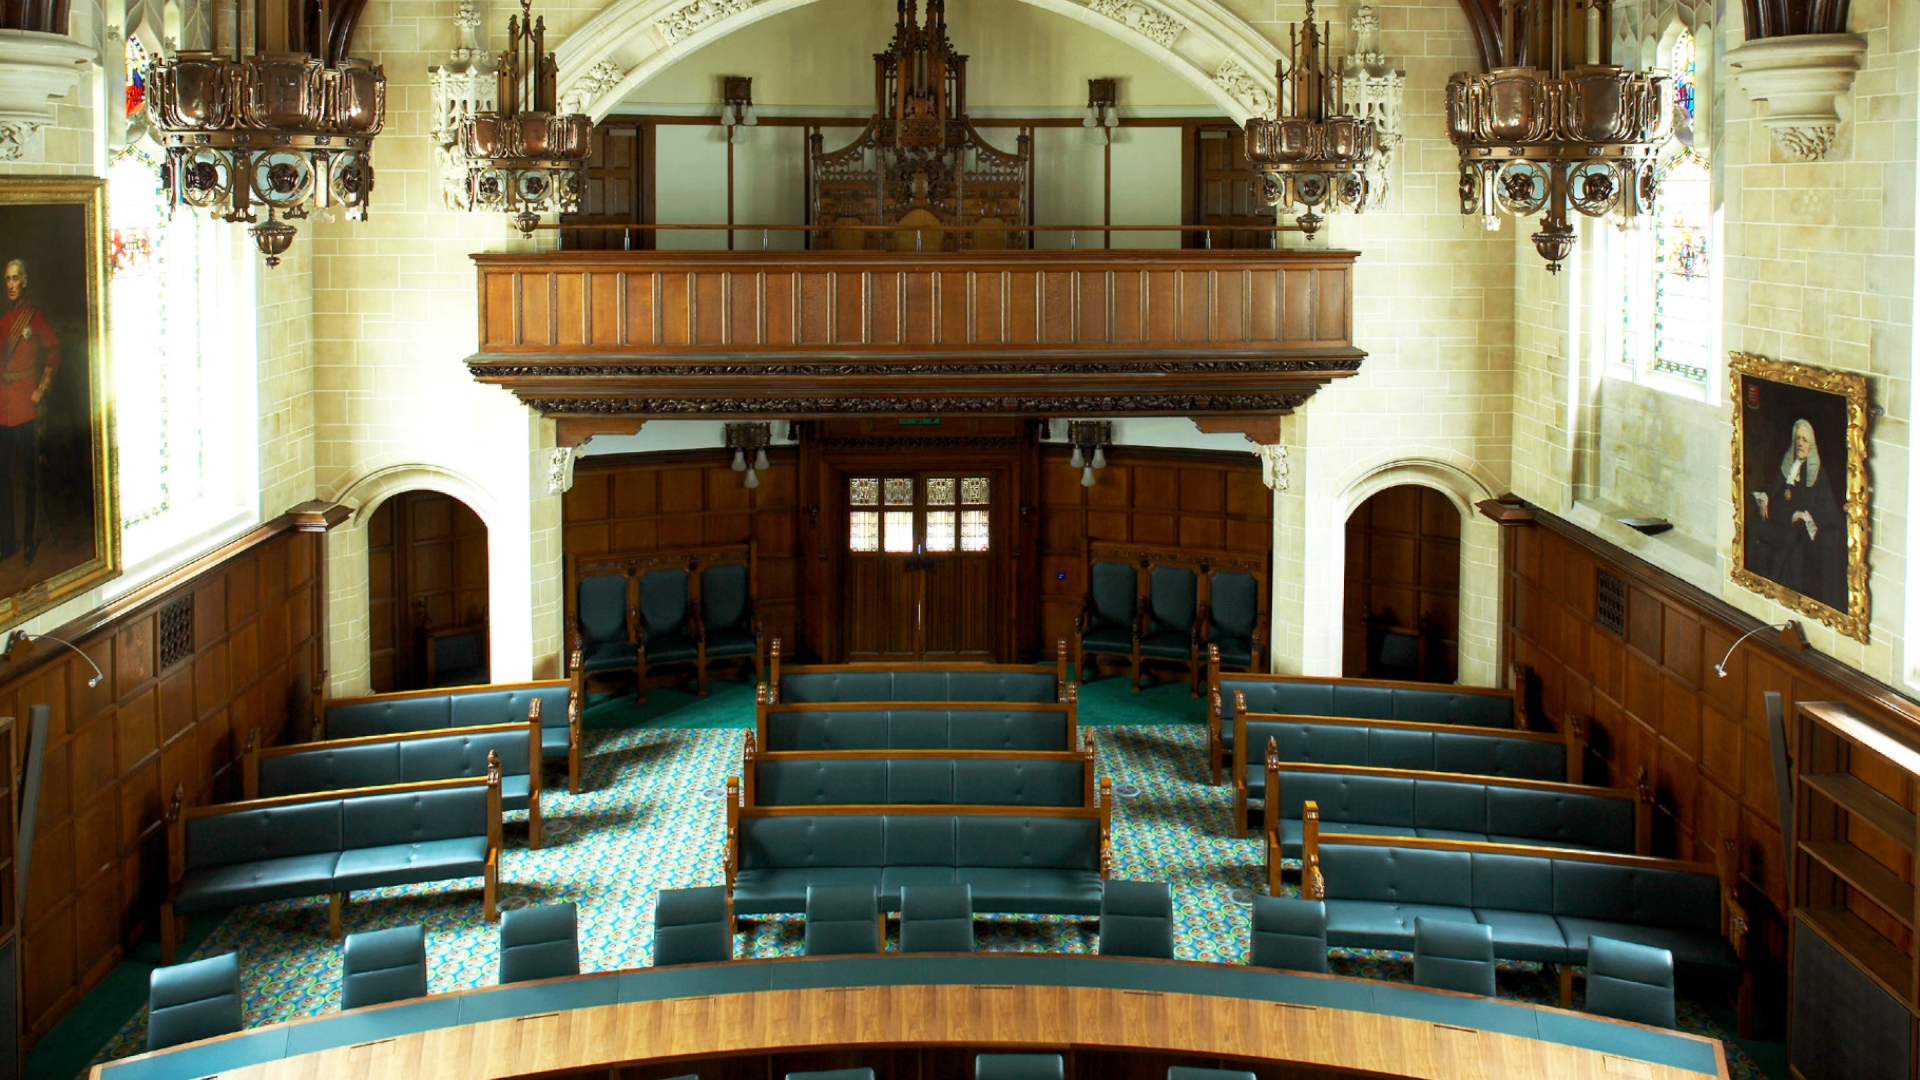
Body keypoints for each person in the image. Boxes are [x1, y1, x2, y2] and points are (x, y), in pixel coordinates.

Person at [1749, 417, 1846, 611]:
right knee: (1755, 528)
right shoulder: (1789, 466)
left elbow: (1829, 510)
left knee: (1792, 546)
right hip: (1780, 522)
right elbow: (1775, 489)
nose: (1800, 443)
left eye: (1805, 439)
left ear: (1812, 444)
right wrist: (1765, 497)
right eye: (1798, 438)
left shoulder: (1819, 474)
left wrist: (1805, 515)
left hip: (1798, 531)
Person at [0, 258, 58, 565]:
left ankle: (27, 543)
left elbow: (53, 350)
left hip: (25, 405)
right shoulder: (5, 322)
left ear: (24, 282)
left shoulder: (35, 318)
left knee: (28, 478)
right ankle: (7, 541)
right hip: (3, 408)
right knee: (2, 477)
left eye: (14, 279)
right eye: (6, 279)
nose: (10, 284)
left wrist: (42, 387)